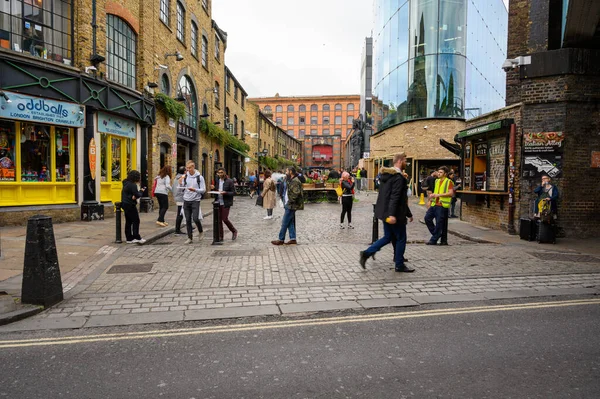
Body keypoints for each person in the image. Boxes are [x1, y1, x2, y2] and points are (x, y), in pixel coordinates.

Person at [359, 153, 414, 272]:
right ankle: (399, 264)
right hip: (395, 214)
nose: (406, 163)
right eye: (405, 160)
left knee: (388, 237)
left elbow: (388, 196)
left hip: (385, 212)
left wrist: (407, 213)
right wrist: (393, 214)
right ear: (399, 161)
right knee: (400, 238)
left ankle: (367, 253)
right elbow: (396, 198)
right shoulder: (398, 178)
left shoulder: (386, 176)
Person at [272, 166, 304, 246]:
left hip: (291, 205)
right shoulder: (290, 180)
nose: (285, 173)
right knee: (290, 222)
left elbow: (295, 193)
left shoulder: (295, 181)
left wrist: (289, 202)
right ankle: (293, 239)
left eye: (286, 171)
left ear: (290, 172)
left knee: (284, 222)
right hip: (288, 204)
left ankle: (281, 239)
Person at [424, 166, 454, 245]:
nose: (438, 173)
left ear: (445, 174)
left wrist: (438, 195)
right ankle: (437, 234)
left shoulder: (448, 182)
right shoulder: (437, 181)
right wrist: (430, 199)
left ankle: (434, 239)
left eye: (441, 172)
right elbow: (435, 192)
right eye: (438, 172)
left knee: (439, 223)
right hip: (434, 204)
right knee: (427, 218)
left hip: (442, 204)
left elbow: (451, 193)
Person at [179, 160, 205, 244]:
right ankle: (190, 237)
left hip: (195, 200)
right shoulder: (185, 177)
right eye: (187, 168)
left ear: (193, 167)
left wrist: (195, 190)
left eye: (189, 168)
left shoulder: (199, 177)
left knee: (196, 218)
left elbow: (203, 190)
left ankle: (200, 231)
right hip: (186, 200)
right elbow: (182, 189)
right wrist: (180, 183)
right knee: (187, 220)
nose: (188, 170)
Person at [211, 167, 238, 241]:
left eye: (221, 172)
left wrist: (225, 193)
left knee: (224, 219)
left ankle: (234, 231)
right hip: (218, 202)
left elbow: (234, 192)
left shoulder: (229, 181)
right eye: (219, 173)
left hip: (226, 203)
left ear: (224, 173)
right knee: (219, 220)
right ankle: (220, 236)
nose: (220, 174)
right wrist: (213, 189)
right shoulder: (217, 180)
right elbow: (217, 191)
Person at [120, 170, 146, 244]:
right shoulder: (132, 185)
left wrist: (133, 196)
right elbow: (137, 195)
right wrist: (141, 191)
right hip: (130, 205)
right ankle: (136, 237)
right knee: (136, 220)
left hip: (125, 204)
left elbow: (129, 194)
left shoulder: (126, 183)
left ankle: (129, 238)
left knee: (128, 221)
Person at [172, 166, 188, 235]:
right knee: (180, 214)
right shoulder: (183, 178)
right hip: (181, 197)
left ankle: (178, 229)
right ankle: (177, 230)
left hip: (177, 196)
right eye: (186, 170)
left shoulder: (176, 178)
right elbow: (182, 188)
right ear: (184, 171)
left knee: (180, 213)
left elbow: (173, 188)